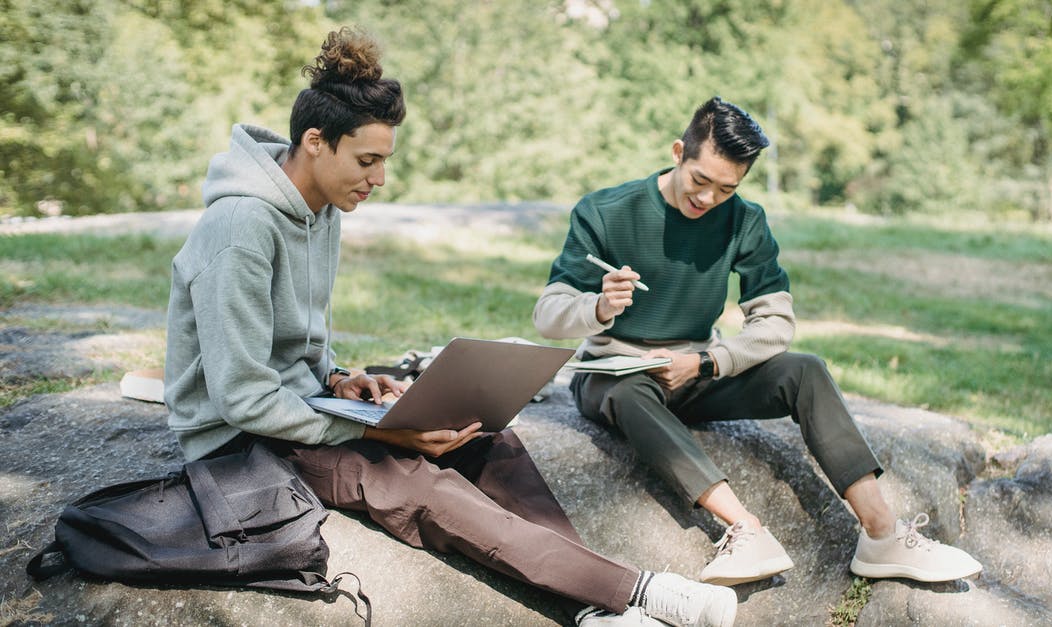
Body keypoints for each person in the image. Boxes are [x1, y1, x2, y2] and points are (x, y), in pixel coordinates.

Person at [164, 28, 737, 627]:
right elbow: (242, 398)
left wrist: (340, 380)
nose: (379, 178)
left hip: (299, 407)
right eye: (368, 160)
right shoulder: (239, 229)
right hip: (241, 443)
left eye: (384, 160)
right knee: (414, 481)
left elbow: (293, 345)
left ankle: (594, 606)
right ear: (315, 142)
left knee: (484, 439)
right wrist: (381, 437)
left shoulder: (323, 209)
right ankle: (639, 593)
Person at [533, 97, 983, 587]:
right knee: (628, 391)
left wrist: (706, 363)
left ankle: (882, 534)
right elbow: (547, 316)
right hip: (616, 376)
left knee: (805, 369)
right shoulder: (606, 212)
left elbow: (774, 325)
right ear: (679, 151)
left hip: (698, 371)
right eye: (700, 181)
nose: (707, 199)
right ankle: (744, 529)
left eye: (726, 189)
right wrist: (596, 308)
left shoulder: (744, 220)